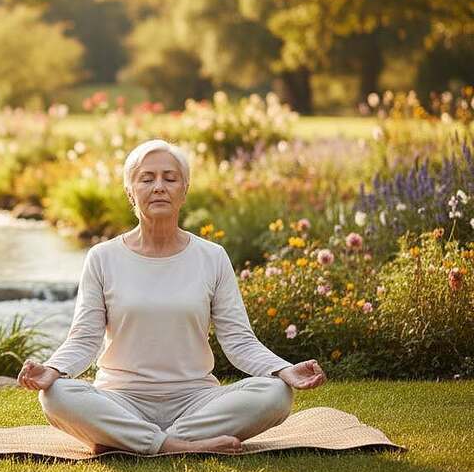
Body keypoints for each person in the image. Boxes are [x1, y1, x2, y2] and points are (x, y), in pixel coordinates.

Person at [18, 139, 326, 455]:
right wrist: (52, 369)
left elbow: (239, 341)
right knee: (56, 395)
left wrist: (283, 369)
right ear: (130, 192)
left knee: (276, 393)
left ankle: (132, 440)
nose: (159, 187)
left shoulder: (212, 257)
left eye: (170, 178)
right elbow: (84, 339)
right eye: (147, 179)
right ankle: (174, 445)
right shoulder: (102, 257)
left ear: (184, 190)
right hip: (121, 399)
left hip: (196, 401)